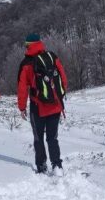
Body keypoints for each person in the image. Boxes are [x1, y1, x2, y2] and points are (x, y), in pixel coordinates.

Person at [17, 33, 67, 175]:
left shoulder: (26, 63)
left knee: (38, 138)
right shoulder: (52, 57)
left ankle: (42, 166)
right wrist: (58, 96)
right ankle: (57, 165)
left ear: (28, 45)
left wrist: (22, 107)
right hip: (55, 106)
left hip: (37, 107)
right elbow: (63, 78)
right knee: (52, 138)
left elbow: (22, 88)